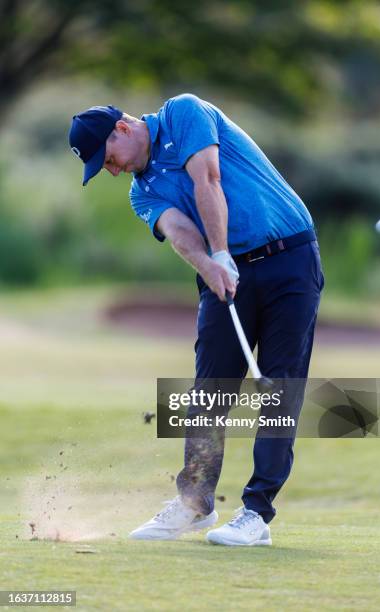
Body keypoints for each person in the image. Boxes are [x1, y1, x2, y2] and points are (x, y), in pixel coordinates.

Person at [69, 94, 324, 546]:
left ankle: (256, 514)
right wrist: (210, 266)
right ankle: (194, 505)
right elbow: (179, 230)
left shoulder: (184, 113)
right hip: (222, 271)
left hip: (289, 257)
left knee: (280, 385)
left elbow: (208, 177)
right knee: (209, 390)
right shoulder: (141, 191)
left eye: (106, 159)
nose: (110, 170)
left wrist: (221, 251)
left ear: (122, 130)